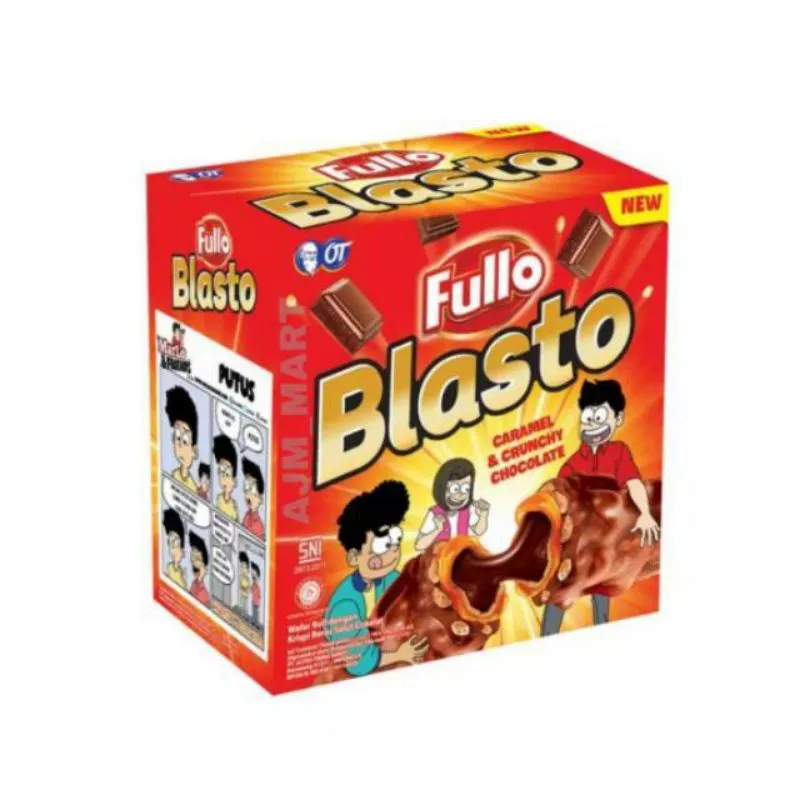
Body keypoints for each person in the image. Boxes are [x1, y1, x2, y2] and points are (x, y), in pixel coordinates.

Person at [541, 379, 661, 636]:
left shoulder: (618, 453)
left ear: (618, 419)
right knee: (558, 593)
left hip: (610, 546)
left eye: (599, 418)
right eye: (588, 418)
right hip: (575, 547)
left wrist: (645, 514)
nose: (592, 425)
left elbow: (633, 483)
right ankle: (546, 636)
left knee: (602, 591)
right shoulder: (574, 462)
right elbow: (559, 502)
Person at [324, 480, 429, 677]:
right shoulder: (345, 603)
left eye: (395, 543)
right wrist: (399, 655)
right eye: (383, 546)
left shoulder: (392, 579)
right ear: (354, 557)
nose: (392, 553)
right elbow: (356, 660)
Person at [415, 457, 490, 551]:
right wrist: (437, 530)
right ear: (442, 488)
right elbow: (419, 545)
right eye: (454, 489)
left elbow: (479, 531)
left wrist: (483, 515)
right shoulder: (434, 513)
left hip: (465, 553)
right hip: (442, 556)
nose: (459, 495)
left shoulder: (469, 510)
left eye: (465, 489)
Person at [165, 386, 198, 491]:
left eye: (185, 441)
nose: (179, 446)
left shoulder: (193, 487)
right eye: (177, 438)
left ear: (194, 450)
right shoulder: (173, 476)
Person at [213, 434, 239, 521]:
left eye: (227, 474)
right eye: (221, 472)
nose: (223, 478)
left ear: (234, 481)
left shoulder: (234, 506)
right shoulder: (218, 499)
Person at [163, 508, 187, 589]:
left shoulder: (181, 573)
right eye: (170, 544)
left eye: (174, 544)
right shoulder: (169, 568)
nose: (172, 549)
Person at [241, 458, 265, 538]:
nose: (248, 495)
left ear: (261, 498)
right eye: (246, 490)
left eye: (251, 490)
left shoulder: (259, 525)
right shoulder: (246, 515)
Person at [188, 532, 211, 605]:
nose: (193, 561)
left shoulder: (204, 593)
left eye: (197, 559)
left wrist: (201, 576)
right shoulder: (194, 583)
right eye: (192, 557)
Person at [238, 551, 251, 617]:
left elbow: (247, 578)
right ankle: (241, 613)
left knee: (243, 602)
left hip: (245, 587)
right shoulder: (244, 567)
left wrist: (247, 588)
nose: (242, 568)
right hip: (243, 586)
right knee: (241, 602)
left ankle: (243, 614)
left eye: (243, 567)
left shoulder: (246, 570)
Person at [250, 563, 261, 628]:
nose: (254, 580)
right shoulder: (254, 585)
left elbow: (259, 595)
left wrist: (258, 602)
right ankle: (254, 622)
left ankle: (257, 624)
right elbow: (251, 590)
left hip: (256, 601)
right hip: (253, 600)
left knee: (256, 613)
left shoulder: (258, 587)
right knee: (254, 612)